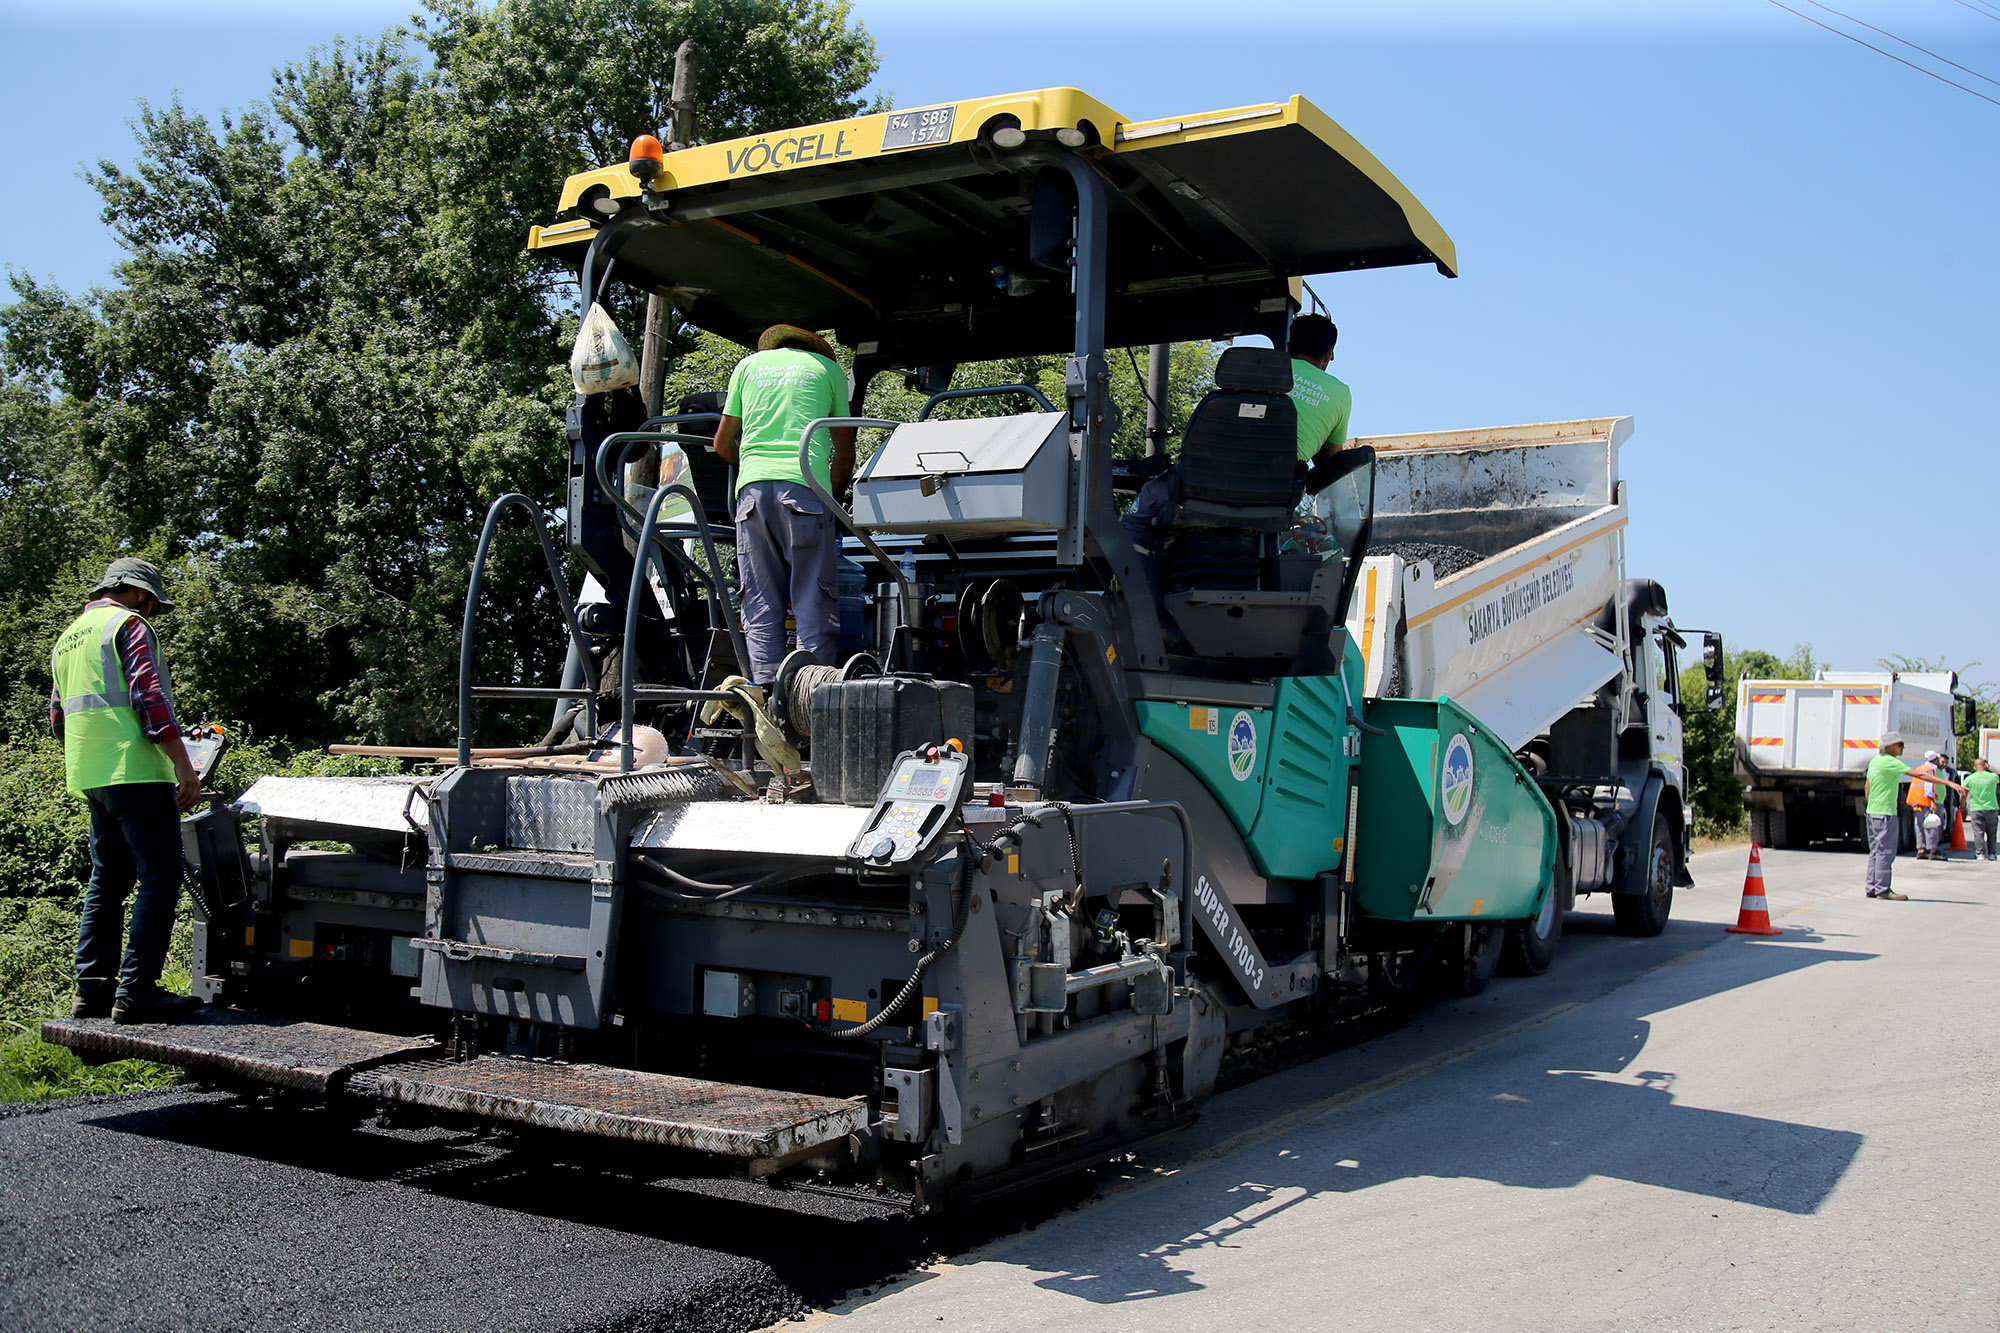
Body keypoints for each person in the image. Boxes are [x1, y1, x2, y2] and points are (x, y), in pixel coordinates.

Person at [48, 558, 204, 1023]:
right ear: (139, 593)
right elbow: (150, 701)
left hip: (91, 775)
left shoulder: (69, 636)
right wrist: (185, 767)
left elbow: (59, 717)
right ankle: (137, 992)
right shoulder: (128, 625)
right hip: (135, 769)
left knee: (107, 882)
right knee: (159, 876)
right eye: (152, 601)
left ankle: (92, 990)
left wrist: (92, 759)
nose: (152, 610)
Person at [1120, 314, 1357, 570]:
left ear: (1288, 347)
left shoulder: (1253, 377)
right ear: (1329, 353)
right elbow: (1329, 460)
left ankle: (1133, 587)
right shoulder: (1340, 393)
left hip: (1201, 485)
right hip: (1273, 499)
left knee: (1143, 509)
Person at [711, 325, 856, 687]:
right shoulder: (828, 370)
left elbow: (722, 443)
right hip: (806, 493)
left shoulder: (747, 366)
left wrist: (752, 469)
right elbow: (845, 451)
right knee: (812, 601)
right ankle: (809, 702)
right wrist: (832, 502)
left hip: (751, 497)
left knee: (760, 604)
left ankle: (764, 703)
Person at [1863, 732, 1963, 899]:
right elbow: (1921, 775)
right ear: (1889, 747)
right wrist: (1949, 783)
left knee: (1876, 851)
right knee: (1886, 852)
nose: (1903, 747)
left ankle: (1872, 886)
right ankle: (1882, 889)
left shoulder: (1875, 761)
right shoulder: (1890, 762)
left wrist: (1871, 804)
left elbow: (1867, 786)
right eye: (1900, 744)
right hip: (1885, 812)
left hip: (1873, 812)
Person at [1907, 750, 1943, 860]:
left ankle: (1921, 849)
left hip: (1916, 800)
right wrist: (1932, 801)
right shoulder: (1930, 770)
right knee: (1931, 825)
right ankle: (1932, 850)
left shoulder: (1919, 768)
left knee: (1919, 825)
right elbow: (1928, 787)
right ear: (1935, 760)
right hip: (1925, 801)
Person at [1966, 757, 1999, 861]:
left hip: (1976, 809)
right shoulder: (1993, 777)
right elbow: (1997, 773)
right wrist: (1989, 768)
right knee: (1992, 833)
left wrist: (1962, 805)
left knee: (1978, 832)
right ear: (1986, 766)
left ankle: (1980, 854)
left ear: (1974, 767)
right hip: (1992, 808)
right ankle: (1992, 854)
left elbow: (1963, 794)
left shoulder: (1970, 778)